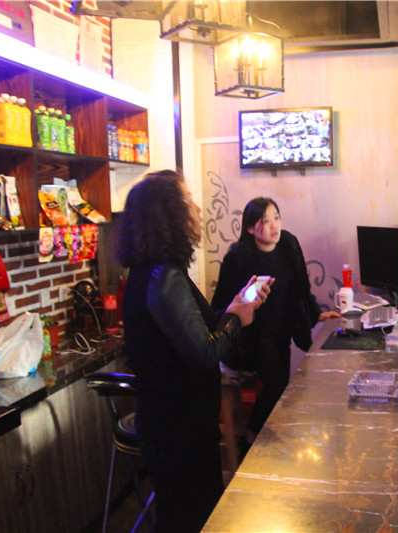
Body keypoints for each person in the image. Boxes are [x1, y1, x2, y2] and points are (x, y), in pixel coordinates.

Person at [117, 170, 271, 532]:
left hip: (176, 425)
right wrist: (237, 321)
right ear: (167, 215)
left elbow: (190, 334)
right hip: (178, 431)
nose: (197, 209)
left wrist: (232, 309)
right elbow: (204, 352)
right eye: (187, 201)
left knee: (186, 514)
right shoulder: (163, 277)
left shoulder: (154, 272)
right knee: (188, 518)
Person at [212, 197, 340, 448]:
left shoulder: (289, 245)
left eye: (277, 218)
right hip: (253, 334)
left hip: (282, 329)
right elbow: (223, 304)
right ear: (251, 228)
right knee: (278, 384)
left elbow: (301, 287)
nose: (274, 226)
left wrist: (316, 313)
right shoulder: (238, 257)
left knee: (281, 384)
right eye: (265, 221)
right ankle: (250, 438)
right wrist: (248, 298)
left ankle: (256, 435)